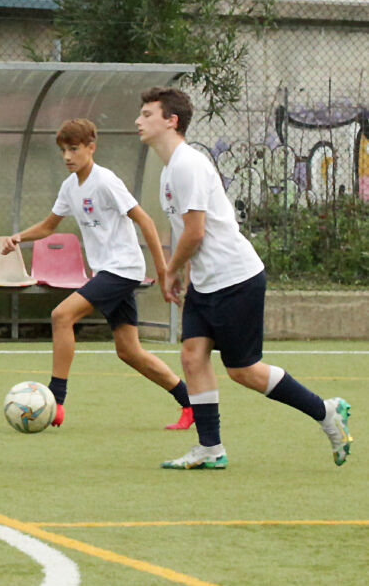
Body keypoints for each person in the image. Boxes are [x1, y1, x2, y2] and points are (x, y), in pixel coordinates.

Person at [137, 86, 353, 469]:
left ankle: (325, 411)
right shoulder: (169, 170)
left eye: (147, 114)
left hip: (235, 279)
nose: (139, 120)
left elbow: (195, 232)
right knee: (192, 356)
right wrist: (187, 277)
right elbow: (188, 232)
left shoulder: (188, 164)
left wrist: (170, 270)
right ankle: (210, 448)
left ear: (171, 121)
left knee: (243, 370)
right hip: (207, 283)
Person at [2, 118, 193, 430]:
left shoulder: (105, 181)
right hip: (107, 270)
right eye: (63, 150)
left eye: (74, 149)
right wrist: (19, 237)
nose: (67, 156)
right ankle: (191, 403)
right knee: (129, 351)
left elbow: (144, 220)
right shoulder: (70, 187)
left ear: (91, 148)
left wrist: (163, 270)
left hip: (123, 269)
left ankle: (56, 399)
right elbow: (49, 226)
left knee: (62, 315)